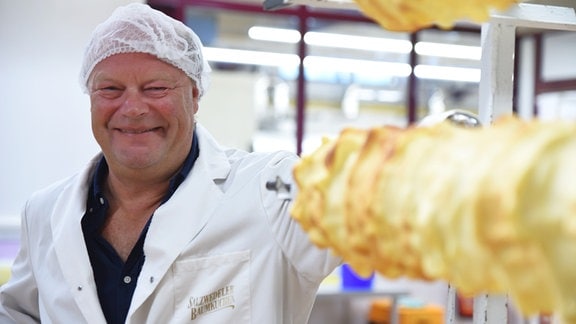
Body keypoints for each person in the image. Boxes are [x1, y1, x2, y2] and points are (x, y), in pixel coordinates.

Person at [0, 3, 341, 323]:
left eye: (156, 88)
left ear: (194, 96)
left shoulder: (272, 191)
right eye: (110, 89)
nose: (132, 109)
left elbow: (380, 206)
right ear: (91, 97)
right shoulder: (44, 213)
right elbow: (16, 313)